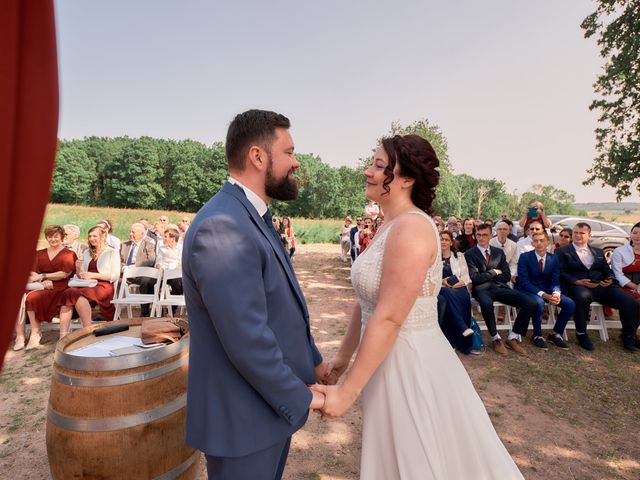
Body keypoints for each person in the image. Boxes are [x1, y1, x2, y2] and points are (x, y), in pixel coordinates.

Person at [313, 134, 523, 479]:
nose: (368, 171)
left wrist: (346, 393)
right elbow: (366, 301)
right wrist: (342, 358)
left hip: (409, 363)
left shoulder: (411, 228)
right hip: (384, 358)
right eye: (372, 163)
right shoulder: (387, 225)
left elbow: (391, 315)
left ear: (406, 179)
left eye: (380, 166)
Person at [182, 109, 326, 480]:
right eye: (290, 152)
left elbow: (280, 305)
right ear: (258, 157)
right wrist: (306, 397)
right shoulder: (222, 226)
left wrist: (314, 362)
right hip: (241, 421)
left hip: (264, 413)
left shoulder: (251, 215)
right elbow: (247, 338)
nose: (296, 162)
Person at [557, 222, 640, 352]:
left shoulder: (598, 251)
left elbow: (607, 271)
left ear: (589, 235)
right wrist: (578, 282)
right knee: (582, 296)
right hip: (578, 285)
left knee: (630, 302)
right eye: (575, 233)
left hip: (601, 286)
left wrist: (609, 280)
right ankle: (582, 334)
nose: (578, 236)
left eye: (581, 233)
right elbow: (561, 272)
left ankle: (628, 337)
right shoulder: (562, 251)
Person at [465, 224, 537, 355]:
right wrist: (493, 272)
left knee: (530, 302)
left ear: (490, 235)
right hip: (481, 290)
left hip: (499, 287)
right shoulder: (469, 254)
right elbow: (475, 278)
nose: (481, 238)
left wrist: (487, 276)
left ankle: (513, 337)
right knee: (487, 304)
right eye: (478, 235)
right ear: (475, 236)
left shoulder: (498, 253)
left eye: (484, 235)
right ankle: (495, 338)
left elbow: (507, 275)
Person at [13, 225, 76, 350]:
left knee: (32, 298)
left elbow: (64, 274)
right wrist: (43, 280)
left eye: (56, 236)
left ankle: (35, 333)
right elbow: (32, 273)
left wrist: (43, 276)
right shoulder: (39, 253)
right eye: (50, 236)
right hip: (41, 284)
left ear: (62, 237)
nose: (53, 239)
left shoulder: (69, 253)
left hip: (59, 286)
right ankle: (20, 336)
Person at [515, 231, 574, 350]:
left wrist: (556, 293)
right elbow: (523, 281)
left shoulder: (553, 258)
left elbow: (555, 279)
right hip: (528, 289)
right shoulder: (525, 257)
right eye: (536, 241)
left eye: (542, 240)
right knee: (539, 302)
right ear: (532, 243)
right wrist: (543, 295)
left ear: (548, 242)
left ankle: (556, 333)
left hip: (547, 289)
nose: (539, 243)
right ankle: (537, 335)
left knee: (570, 303)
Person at [58, 226, 120, 335]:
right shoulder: (87, 252)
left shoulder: (112, 252)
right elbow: (81, 276)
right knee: (68, 293)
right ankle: (63, 334)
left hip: (104, 286)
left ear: (103, 236)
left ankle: (87, 330)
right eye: (90, 236)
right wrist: (78, 269)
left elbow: (114, 275)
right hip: (86, 284)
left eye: (94, 236)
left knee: (76, 294)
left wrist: (93, 275)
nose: (91, 238)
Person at [438, 230, 476, 354]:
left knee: (453, 296)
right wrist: (442, 281)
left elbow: (466, 277)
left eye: (446, 239)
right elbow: (429, 277)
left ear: (450, 242)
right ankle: (462, 328)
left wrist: (455, 285)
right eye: (441, 239)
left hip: (458, 288)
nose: (443, 241)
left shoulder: (459, 256)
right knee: (446, 295)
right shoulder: (433, 257)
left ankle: (459, 339)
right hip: (441, 288)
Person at [120, 223, 157, 316]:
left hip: (141, 273)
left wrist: (134, 267)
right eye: (130, 232)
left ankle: (145, 313)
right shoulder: (124, 245)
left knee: (146, 281)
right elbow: (118, 261)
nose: (130, 234)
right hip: (126, 274)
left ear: (142, 234)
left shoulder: (149, 244)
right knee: (112, 281)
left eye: (133, 232)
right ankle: (110, 312)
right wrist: (123, 267)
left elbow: (150, 260)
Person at [155, 226, 183, 295]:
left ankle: (174, 304)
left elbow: (181, 264)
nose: (163, 238)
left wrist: (171, 273)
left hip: (175, 274)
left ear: (172, 239)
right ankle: (156, 303)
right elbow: (158, 262)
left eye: (165, 237)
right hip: (162, 274)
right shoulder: (162, 248)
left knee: (178, 282)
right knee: (148, 281)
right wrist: (161, 270)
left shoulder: (181, 248)